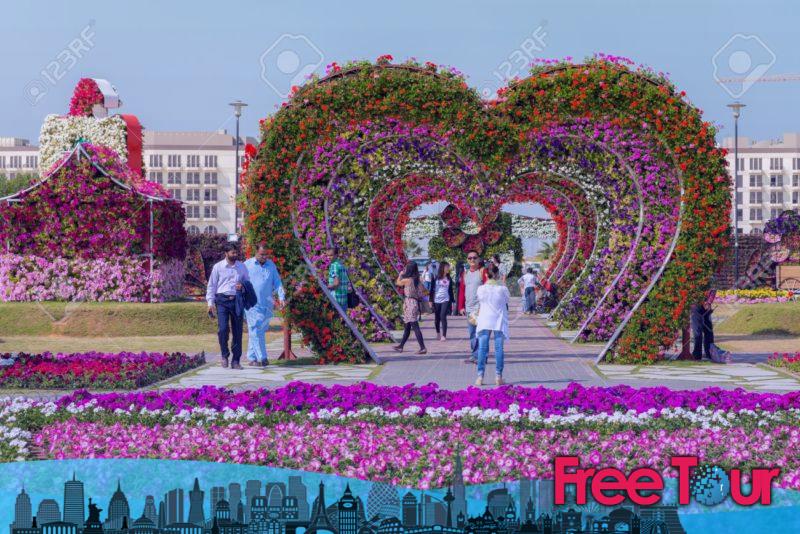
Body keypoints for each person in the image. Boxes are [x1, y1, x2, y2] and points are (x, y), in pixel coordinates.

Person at [206, 243, 250, 369]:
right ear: (226, 253)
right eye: (232, 253)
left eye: (236, 253)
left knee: (237, 331)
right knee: (223, 329)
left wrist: (242, 286)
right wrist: (210, 303)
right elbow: (211, 286)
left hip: (237, 300)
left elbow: (248, 282)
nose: (235, 255)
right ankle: (224, 355)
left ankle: (236, 361)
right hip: (222, 301)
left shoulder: (241, 267)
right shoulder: (218, 267)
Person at [244, 244, 286, 367]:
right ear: (255, 252)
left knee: (260, 330)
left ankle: (252, 358)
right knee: (256, 328)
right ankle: (263, 357)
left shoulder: (271, 265)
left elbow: (277, 282)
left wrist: (281, 297)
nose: (264, 257)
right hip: (252, 304)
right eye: (262, 254)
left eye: (266, 254)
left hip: (267, 304)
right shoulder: (247, 265)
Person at [475, 263, 510, 386]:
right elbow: (506, 300)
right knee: (499, 348)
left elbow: (479, 300)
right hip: (498, 321)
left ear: (486, 274)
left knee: (482, 348)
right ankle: (498, 376)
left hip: (485, 320)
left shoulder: (481, 289)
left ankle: (480, 377)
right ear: (497, 275)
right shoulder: (502, 289)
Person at [458, 250, 488, 364]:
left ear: (479, 259)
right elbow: (461, 291)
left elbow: (487, 289)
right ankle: (475, 355)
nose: (472, 260)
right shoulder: (464, 274)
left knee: (481, 334)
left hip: (481, 309)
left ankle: (481, 356)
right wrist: (461, 307)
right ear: (467, 260)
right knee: (472, 334)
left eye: (474, 258)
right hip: (469, 309)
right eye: (470, 258)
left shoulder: (482, 272)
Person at [393, 261, 427, 354]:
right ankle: (401, 346)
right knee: (407, 326)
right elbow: (424, 290)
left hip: (409, 303)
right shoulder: (417, 280)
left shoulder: (407, 280)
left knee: (415, 326)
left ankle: (423, 347)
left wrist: (400, 274)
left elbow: (398, 283)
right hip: (414, 302)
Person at [429, 261, 455, 341]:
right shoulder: (436, 278)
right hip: (436, 300)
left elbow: (450, 290)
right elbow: (431, 290)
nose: (448, 268)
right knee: (437, 318)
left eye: (448, 267)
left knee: (443, 316)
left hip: (446, 299)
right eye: (447, 267)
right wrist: (430, 300)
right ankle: (438, 333)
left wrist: (453, 301)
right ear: (442, 268)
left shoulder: (449, 278)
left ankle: (444, 335)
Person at [691, 290, 716, 360]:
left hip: (706, 307)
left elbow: (713, 290)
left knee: (709, 331)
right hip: (695, 306)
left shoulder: (711, 280)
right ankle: (697, 354)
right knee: (697, 332)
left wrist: (708, 302)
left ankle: (709, 353)